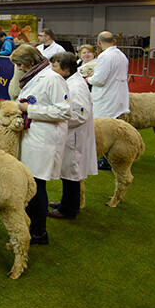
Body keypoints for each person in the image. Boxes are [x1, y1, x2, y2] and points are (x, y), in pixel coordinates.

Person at [11, 44, 71, 245]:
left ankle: (39, 232)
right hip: (33, 137)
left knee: (37, 186)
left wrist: (30, 109)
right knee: (31, 183)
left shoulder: (53, 79)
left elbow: (64, 111)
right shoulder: (35, 76)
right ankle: (32, 226)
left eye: (20, 64)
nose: (18, 68)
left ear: (31, 61)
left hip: (44, 140)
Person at [47, 52, 97, 220]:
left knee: (71, 171)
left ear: (66, 69)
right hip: (69, 134)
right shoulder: (69, 81)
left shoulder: (76, 87)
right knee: (67, 171)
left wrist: (56, 118)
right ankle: (65, 203)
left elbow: (80, 115)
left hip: (73, 135)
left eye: (55, 66)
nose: (52, 69)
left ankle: (68, 209)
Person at [86, 31, 130, 170]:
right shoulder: (121, 55)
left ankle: (105, 159)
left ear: (98, 43)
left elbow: (99, 80)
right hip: (118, 95)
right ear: (114, 41)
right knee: (113, 128)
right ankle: (111, 157)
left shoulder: (105, 56)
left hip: (107, 97)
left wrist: (88, 79)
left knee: (103, 128)